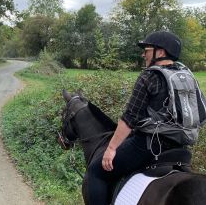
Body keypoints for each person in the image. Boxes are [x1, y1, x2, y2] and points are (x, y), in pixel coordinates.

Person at [84, 30, 206, 204]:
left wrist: (111, 149)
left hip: (148, 147)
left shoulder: (150, 76)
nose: (143, 54)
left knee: (96, 171)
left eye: (147, 50)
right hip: (181, 149)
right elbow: (202, 114)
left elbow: (130, 118)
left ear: (160, 52)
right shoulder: (188, 76)